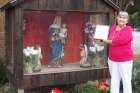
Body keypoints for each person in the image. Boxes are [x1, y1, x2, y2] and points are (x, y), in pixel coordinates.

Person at [99, 11, 133, 93]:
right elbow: (105, 37)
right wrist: (99, 37)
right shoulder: (112, 28)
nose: (122, 19)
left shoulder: (128, 30)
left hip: (125, 60)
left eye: (124, 18)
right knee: (114, 80)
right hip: (112, 59)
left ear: (127, 21)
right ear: (117, 18)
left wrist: (105, 40)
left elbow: (118, 41)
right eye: (120, 17)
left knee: (126, 81)